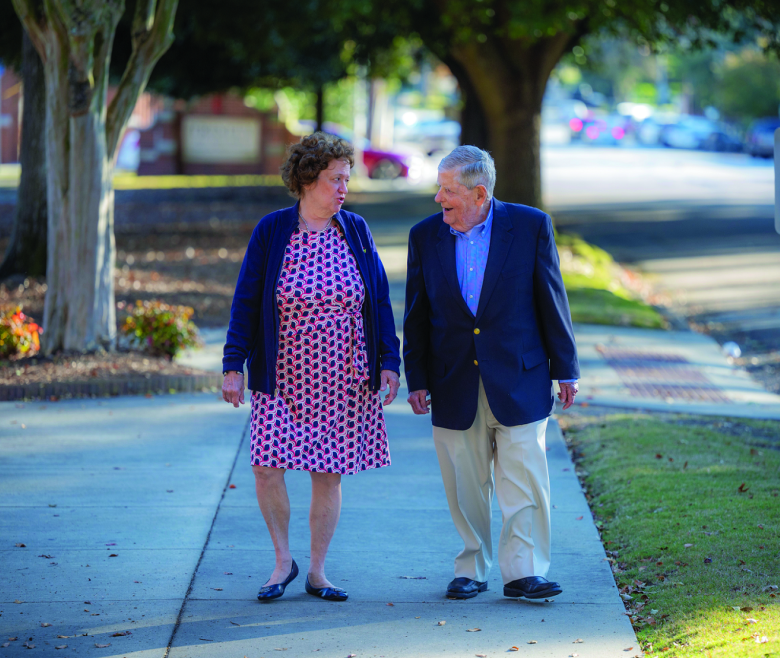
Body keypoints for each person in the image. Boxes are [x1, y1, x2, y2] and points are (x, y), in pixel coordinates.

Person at [221, 132, 401, 603]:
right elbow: (245, 300)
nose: (343, 188)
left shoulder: (356, 230)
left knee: (328, 472)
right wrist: (233, 363)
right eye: (334, 178)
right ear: (306, 180)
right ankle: (283, 561)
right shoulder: (273, 230)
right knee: (265, 467)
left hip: (344, 374)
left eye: (347, 178)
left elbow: (379, 300)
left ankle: (317, 571)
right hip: (283, 373)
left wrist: (389, 362)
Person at [402, 145, 580, 600]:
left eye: (447, 190)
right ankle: (471, 567)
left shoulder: (530, 226)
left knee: (523, 479)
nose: (438, 199)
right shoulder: (425, 236)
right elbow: (417, 315)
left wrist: (566, 369)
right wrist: (416, 378)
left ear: (479, 193)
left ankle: (524, 571)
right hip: (451, 378)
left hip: (520, 376)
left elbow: (550, 298)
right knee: (466, 485)